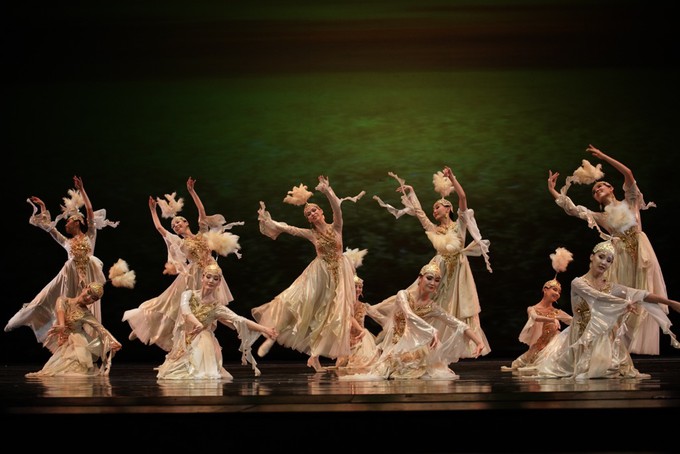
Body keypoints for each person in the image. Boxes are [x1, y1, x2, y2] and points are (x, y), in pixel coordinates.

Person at [548, 144, 668, 355]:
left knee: (642, 295)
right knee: (621, 300)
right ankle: (615, 350)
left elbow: (628, 173)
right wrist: (552, 190)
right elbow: (572, 209)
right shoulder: (601, 217)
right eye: (594, 191)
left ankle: (626, 349)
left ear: (611, 188)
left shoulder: (630, 201)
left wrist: (603, 156)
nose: (597, 190)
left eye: (600, 186)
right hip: (619, 258)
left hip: (641, 253)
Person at [372, 166, 492, 357]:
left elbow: (462, 197)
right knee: (424, 302)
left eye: (437, 207)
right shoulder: (434, 230)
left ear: (448, 208)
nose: (434, 211)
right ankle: (400, 336)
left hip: (458, 271)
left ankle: (453, 348)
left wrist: (452, 178)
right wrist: (412, 193)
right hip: (438, 269)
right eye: (434, 209)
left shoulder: (459, 224)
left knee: (454, 308)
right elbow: (420, 213)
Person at [520, 241, 680, 380]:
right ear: (592, 257)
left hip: (601, 335)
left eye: (609, 260)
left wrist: (670, 302)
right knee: (585, 370)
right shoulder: (578, 283)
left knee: (610, 358)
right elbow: (597, 296)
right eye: (601, 257)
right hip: (580, 335)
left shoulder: (610, 287)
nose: (604, 262)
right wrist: (624, 303)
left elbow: (640, 294)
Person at [252, 175, 365, 372]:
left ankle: (315, 357)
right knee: (296, 300)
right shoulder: (312, 234)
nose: (312, 214)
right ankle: (273, 333)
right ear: (309, 219)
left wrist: (327, 191)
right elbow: (289, 229)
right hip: (319, 273)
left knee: (332, 313)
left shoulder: (336, 227)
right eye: (308, 214)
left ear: (321, 212)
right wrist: (268, 220)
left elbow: (337, 209)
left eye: (314, 210)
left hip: (339, 273)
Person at [123, 177, 242, 352]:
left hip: (211, 271)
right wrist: (153, 211)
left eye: (178, 222)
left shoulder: (202, 233)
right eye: (173, 225)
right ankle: (146, 323)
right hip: (193, 275)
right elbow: (160, 229)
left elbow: (201, 211)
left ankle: (234, 326)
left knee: (212, 303)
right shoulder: (180, 242)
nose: (176, 225)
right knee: (170, 302)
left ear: (186, 222)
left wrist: (191, 191)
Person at [5, 175, 119, 344]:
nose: (65, 224)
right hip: (69, 277)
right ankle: (23, 320)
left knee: (86, 311)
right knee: (45, 298)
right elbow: (49, 228)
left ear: (77, 222)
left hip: (87, 279)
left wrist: (81, 189)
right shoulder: (67, 242)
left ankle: (87, 343)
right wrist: (43, 207)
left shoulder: (90, 235)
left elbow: (89, 210)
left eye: (68, 221)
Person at [342, 263, 485, 381]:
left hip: (416, 348)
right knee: (384, 373)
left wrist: (478, 342)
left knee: (420, 373)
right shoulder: (403, 295)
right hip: (396, 345)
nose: (433, 283)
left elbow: (458, 324)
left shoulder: (432, 307)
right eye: (429, 278)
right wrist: (431, 330)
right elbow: (409, 315)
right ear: (420, 278)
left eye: (436, 280)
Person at [156, 263, 278, 380]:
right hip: (185, 338)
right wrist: (198, 323)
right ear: (202, 278)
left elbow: (239, 319)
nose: (211, 281)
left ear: (219, 283)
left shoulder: (216, 307)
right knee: (173, 372)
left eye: (215, 279)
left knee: (198, 370)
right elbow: (185, 311)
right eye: (208, 277)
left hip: (202, 340)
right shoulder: (188, 294)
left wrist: (265, 329)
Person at [25, 282, 122, 378]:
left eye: (93, 298)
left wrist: (113, 341)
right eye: (89, 292)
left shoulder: (86, 313)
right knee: (54, 371)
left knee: (72, 371)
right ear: (84, 288)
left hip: (78, 343)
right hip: (65, 341)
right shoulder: (63, 300)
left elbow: (100, 328)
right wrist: (62, 326)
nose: (88, 298)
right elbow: (61, 312)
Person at [501, 248, 574, 372]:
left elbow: (573, 321)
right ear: (545, 289)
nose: (557, 294)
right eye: (554, 290)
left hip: (554, 347)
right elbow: (535, 318)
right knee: (519, 364)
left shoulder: (557, 312)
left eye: (559, 292)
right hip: (538, 346)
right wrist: (552, 319)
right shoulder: (532, 309)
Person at [333, 273, 380, 375]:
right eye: (355, 286)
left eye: (360, 287)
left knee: (362, 365)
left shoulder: (363, 306)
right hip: (347, 340)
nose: (358, 289)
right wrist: (361, 329)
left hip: (362, 340)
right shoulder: (344, 304)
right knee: (345, 367)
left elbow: (378, 315)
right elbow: (349, 317)